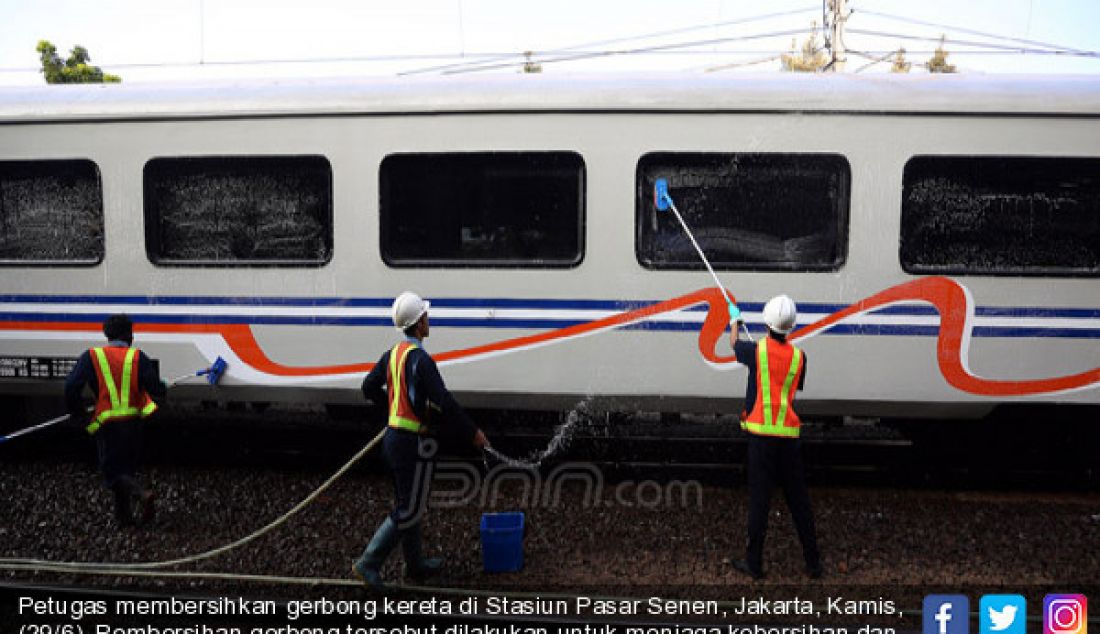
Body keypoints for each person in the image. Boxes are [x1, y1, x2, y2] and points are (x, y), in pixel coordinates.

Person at [352, 291, 490, 588]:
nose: (429, 320)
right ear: (418, 324)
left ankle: (415, 564)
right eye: (426, 316)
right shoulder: (421, 360)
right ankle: (368, 563)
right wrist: (473, 433)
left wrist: (392, 409)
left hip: (392, 438)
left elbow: (368, 387)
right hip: (407, 443)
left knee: (410, 501)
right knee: (408, 507)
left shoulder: (392, 355)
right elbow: (445, 402)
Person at [728, 295, 822, 580]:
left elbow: (734, 345)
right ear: (790, 327)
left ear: (767, 322)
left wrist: (734, 320)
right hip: (789, 440)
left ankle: (754, 564)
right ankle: (813, 563)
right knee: (799, 502)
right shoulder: (799, 357)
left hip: (761, 439)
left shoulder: (756, 352)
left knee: (760, 503)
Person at [64, 314, 167, 526]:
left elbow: (71, 387)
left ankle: (141, 493)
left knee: (112, 473)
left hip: (108, 424)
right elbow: (157, 389)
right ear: (130, 334)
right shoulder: (138, 357)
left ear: (107, 334)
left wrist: (78, 412)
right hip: (133, 422)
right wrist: (162, 386)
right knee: (126, 469)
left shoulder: (91, 356)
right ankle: (124, 519)